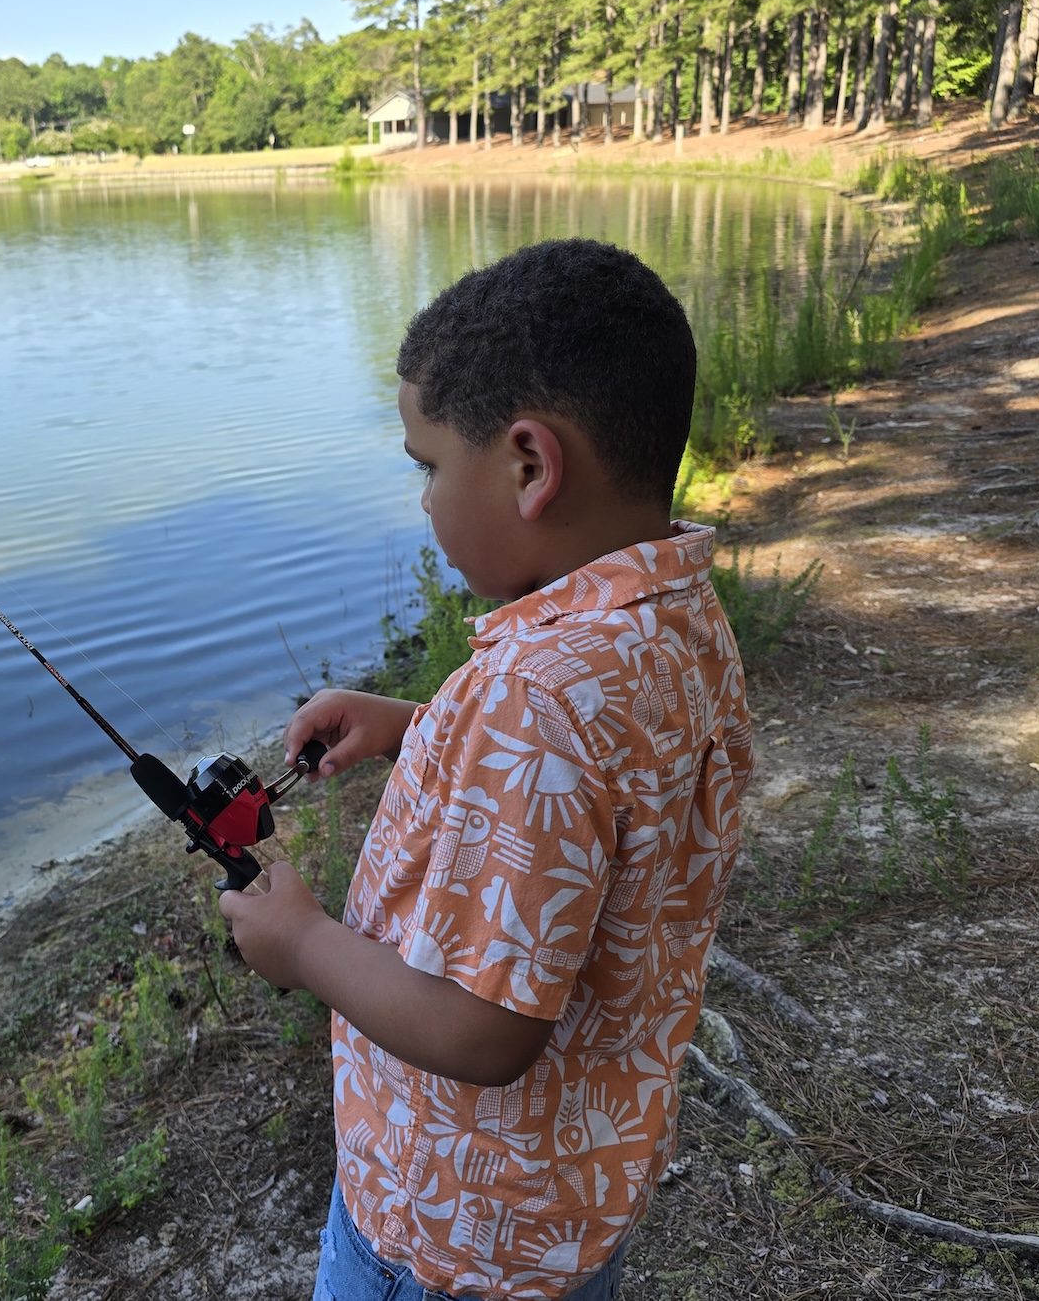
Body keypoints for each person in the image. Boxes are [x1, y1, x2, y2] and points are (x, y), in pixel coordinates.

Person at [220, 238, 752, 1301]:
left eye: (428, 466)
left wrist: (302, 942)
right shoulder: (667, 622)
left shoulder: (538, 696)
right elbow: (605, 794)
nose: (422, 501)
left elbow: (485, 1029)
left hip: (445, 1239)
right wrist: (417, 723)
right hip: (565, 1209)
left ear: (529, 465)